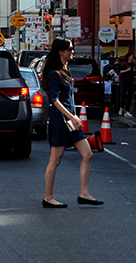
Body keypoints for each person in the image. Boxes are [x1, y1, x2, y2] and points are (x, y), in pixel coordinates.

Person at [42, 38, 102, 208]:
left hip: (70, 121)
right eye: (69, 49)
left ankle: (84, 194)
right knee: (56, 159)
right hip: (60, 121)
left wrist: (75, 117)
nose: (72, 51)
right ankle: (48, 197)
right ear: (60, 51)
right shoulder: (54, 73)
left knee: (88, 154)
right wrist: (72, 117)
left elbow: (69, 98)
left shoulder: (66, 72)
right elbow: (54, 99)